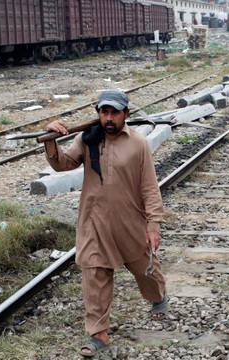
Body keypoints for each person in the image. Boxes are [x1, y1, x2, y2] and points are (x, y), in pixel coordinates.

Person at [43, 90, 167, 357]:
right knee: (95, 274)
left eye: (114, 112)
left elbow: (149, 188)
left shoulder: (138, 144)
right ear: (98, 113)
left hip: (129, 221)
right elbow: (62, 164)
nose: (108, 118)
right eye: (104, 112)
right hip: (94, 221)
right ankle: (98, 334)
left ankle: (158, 297)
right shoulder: (87, 140)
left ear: (126, 114)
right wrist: (51, 139)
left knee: (145, 267)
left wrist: (153, 225)